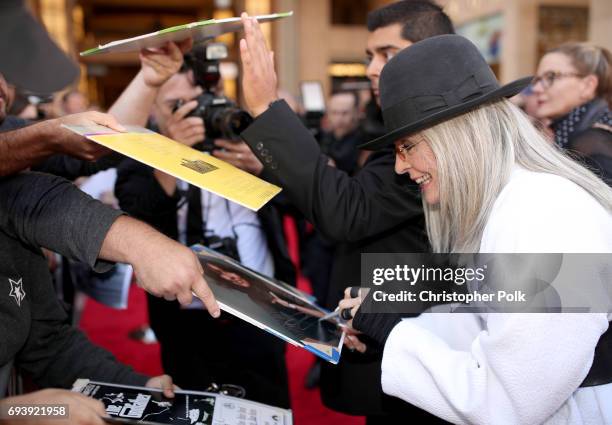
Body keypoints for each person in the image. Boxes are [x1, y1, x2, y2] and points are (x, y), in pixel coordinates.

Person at [335, 34, 612, 424]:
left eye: (407, 146)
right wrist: (391, 322)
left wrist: (394, 332)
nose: (399, 167)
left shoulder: (544, 215)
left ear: (455, 137)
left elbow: (509, 402)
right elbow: (490, 321)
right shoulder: (518, 201)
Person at [238, 2, 454, 422]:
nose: (374, 69)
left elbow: (347, 210)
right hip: (398, 332)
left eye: (387, 54)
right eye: (370, 57)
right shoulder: (398, 127)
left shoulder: (438, 138)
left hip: (427, 352)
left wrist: (266, 108)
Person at [113, 56, 293, 407]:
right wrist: (169, 154)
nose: (194, 114)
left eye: (201, 102)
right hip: (185, 311)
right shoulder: (143, 152)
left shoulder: (247, 141)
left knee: (268, 403)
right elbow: (137, 212)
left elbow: (304, 205)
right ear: (154, 109)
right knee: (194, 405)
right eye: (177, 106)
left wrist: (264, 168)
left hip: (262, 304)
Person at [532, 42, 612, 185]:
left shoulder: (593, 143)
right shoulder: (577, 135)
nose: (537, 88)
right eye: (537, 79)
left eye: (551, 77)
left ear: (588, 85)